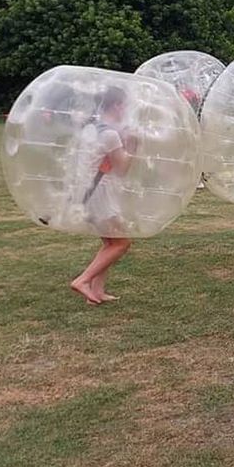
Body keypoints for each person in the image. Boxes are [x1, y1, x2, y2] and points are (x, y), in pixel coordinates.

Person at [70, 86, 137, 306]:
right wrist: (134, 145)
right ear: (117, 105)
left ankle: (97, 293)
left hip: (86, 192)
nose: (125, 111)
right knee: (121, 243)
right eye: (124, 106)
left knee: (109, 242)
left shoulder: (91, 128)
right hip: (101, 193)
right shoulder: (109, 134)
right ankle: (83, 280)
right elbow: (122, 168)